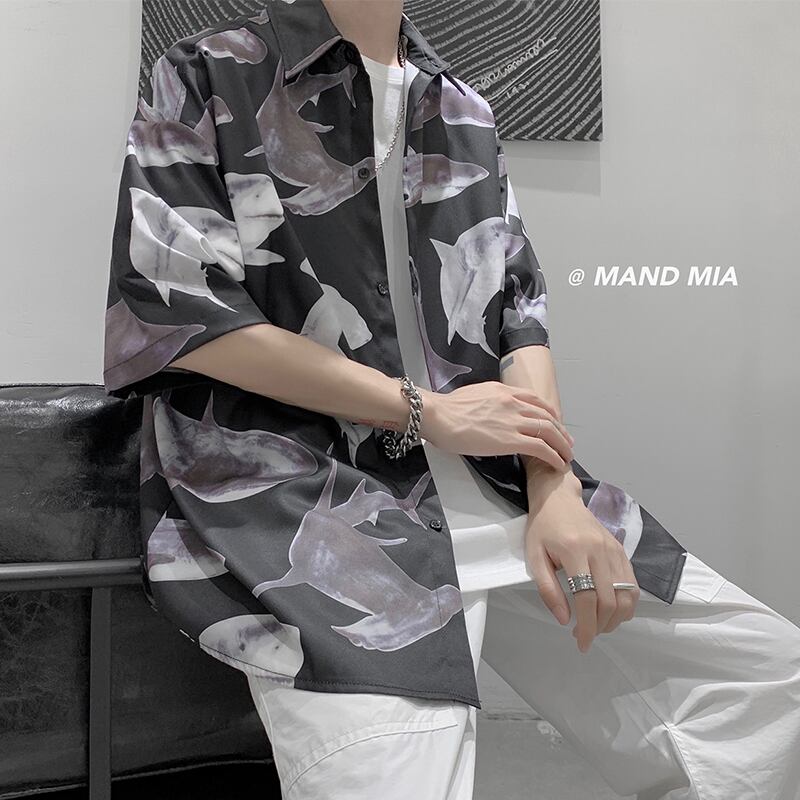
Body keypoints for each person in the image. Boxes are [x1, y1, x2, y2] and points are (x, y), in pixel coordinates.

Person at [102, 0, 800, 797]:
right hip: (308, 500)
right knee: (393, 773)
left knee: (764, 679)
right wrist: (424, 411)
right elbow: (177, 312)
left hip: (496, 485)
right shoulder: (205, 71)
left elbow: (518, 315)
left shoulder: (463, 107)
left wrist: (555, 488)